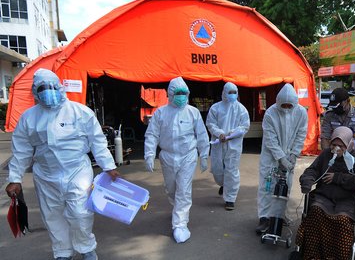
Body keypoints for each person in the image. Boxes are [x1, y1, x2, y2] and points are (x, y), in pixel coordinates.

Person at [4, 68, 120, 260]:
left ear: (60, 87)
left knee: (80, 213)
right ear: (35, 92)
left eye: (51, 87)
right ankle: (62, 252)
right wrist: (15, 178)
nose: (48, 91)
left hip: (77, 171)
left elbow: (97, 141)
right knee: (53, 216)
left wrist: (109, 166)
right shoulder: (28, 118)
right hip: (45, 175)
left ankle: (86, 249)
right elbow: (21, 150)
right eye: (42, 88)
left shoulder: (80, 112)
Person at [144, 76, 210, 243]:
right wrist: (149, 154)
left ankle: (180, 224)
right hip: (167, 156)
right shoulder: (160, 113)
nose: (181, 96)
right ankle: (178, 211)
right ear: (171, 94)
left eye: (184, 93)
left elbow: (201, 134)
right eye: (178, 93)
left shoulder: (192, 112)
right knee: (171, 188)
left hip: (188, 155)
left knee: (183, 190)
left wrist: (204, 154)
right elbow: (152, 135)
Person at [296, 126, 355, 259]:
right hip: (325, 197)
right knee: (315, 212)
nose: (336, 148)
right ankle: (313, 256)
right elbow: (312, 170)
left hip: (347, 200)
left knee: (342, 220)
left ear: (349, 144)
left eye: (341, 145)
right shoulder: (326, 155)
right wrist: (307, 181)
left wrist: (338, 177)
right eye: (334, 144)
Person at [256, 83, 307, 234]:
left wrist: (293, 154)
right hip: (270, 157)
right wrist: (281, 158)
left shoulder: (301, 113)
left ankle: (278, 215)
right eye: (283, 105)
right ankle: (264, 218)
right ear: (278, 102)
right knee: (267, 187)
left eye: (288, 106)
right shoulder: (271, 113)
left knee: (286, 185)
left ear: (294, 103)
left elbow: (301, 134)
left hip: (290, 155)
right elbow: (270, 139)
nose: (285, 109)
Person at [206, 82, 250, 211]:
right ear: (224, 93)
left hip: (233, 144)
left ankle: (230, 199)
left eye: (234, 92)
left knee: (231, 170)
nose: (232, 95)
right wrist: (219, 134)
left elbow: (244, 126)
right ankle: (224, 185)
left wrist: (231, 134)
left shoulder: (241, 109)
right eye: (229, 92)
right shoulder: (215, 108)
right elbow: (211, 124)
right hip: (218, 144)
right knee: (217, 169)